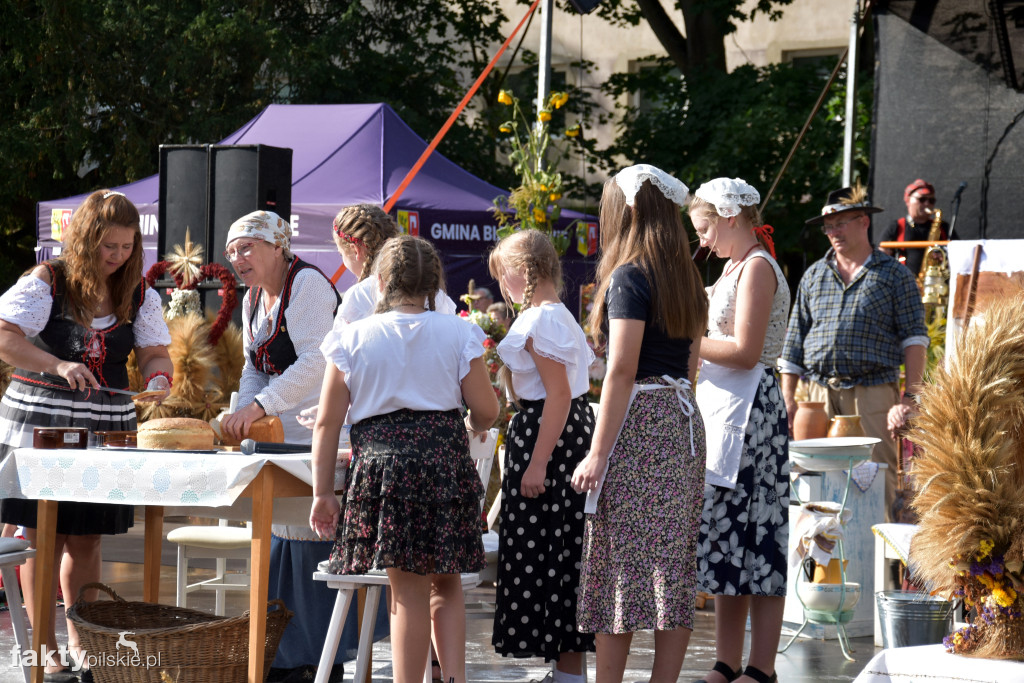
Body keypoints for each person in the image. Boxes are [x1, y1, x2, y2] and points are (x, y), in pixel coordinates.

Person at [0, 189, 173, 681]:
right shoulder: (46, 281)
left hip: (106, 426)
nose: (117, 257)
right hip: (43, 423)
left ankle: (86, 639)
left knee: (88, 536)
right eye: (107, 247)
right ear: (83, 239)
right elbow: (4, 336)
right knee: (43, 533)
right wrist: (57, 362)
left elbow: (156, 352)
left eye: (125, 247)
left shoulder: (138, 292)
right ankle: (43, 644)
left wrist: (159, 377)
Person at [311, 235, 499, 683]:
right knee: (447, 583)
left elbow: (326, 423)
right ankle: (453, 678)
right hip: (443, 465)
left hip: (385, 469)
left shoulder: (352, 337)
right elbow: (488, 410)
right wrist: (473, 422)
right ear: (435, 284)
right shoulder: (458, 330)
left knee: (407, 591)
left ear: (379, 281)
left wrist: (323, 493)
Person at [570, 164, 708, 683]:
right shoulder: (686, 274)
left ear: (628, 210)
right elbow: (691, 365)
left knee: (619, 562)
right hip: (681, 422)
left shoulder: (630, 275)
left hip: (640, 422)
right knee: (670, 564)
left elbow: (622, 368)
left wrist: (598, 452)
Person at [217, 209, 345, 682]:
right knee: (278, 543)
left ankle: (320, 658)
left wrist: (262, 406)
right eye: (232, 251)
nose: (237, 259)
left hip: (319, 432)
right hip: (278, 439)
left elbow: (318, 360)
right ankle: (284, 656)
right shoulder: (253, 299)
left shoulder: (306, 285)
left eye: (246, 247)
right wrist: (244, 410)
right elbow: (255, 365)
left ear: (277, 247)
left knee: (311, 542)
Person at [689, 179, 790, 683]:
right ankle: (726, 661)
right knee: (728, 539)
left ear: (731, 217)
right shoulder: (733, 265)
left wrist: (690, 341)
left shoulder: (756, 267)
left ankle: (761, 666)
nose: (703, 241)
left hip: (754, 416)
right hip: (725, 409)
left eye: (705, 228)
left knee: (759, 540)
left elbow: (748, 351)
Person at [780, 185, 928, 523]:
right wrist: (788, 397)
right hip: (816, 397)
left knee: (876, 480)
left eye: (840, 224)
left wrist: (911, 397)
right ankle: (820, 568)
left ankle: (880, 572)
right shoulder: (815, 275)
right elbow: (794, 341)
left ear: (863, 222)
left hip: (872, 395)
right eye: (828, 226)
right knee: (813, 482)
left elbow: (915, 339)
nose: (833, 232)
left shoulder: (894, 275)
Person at [488, 229, 596, 682]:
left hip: (549, 438)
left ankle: (570, 673)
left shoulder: (542, 321)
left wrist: (537, 462)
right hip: (554, 434)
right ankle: (564, 669)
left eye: (503, 274)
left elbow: (557, 397)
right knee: (558, 552)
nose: (501, 285)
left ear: (523, 271)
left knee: (557, 553)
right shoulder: (553, 317)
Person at [879, 178, 955, 279]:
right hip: (904, 284)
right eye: (922, 199)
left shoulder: (943, 227)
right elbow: (881, 255)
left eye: (931, 200)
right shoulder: (896, 226)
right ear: (908, 200)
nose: (927, 204)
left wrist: (945, 258)